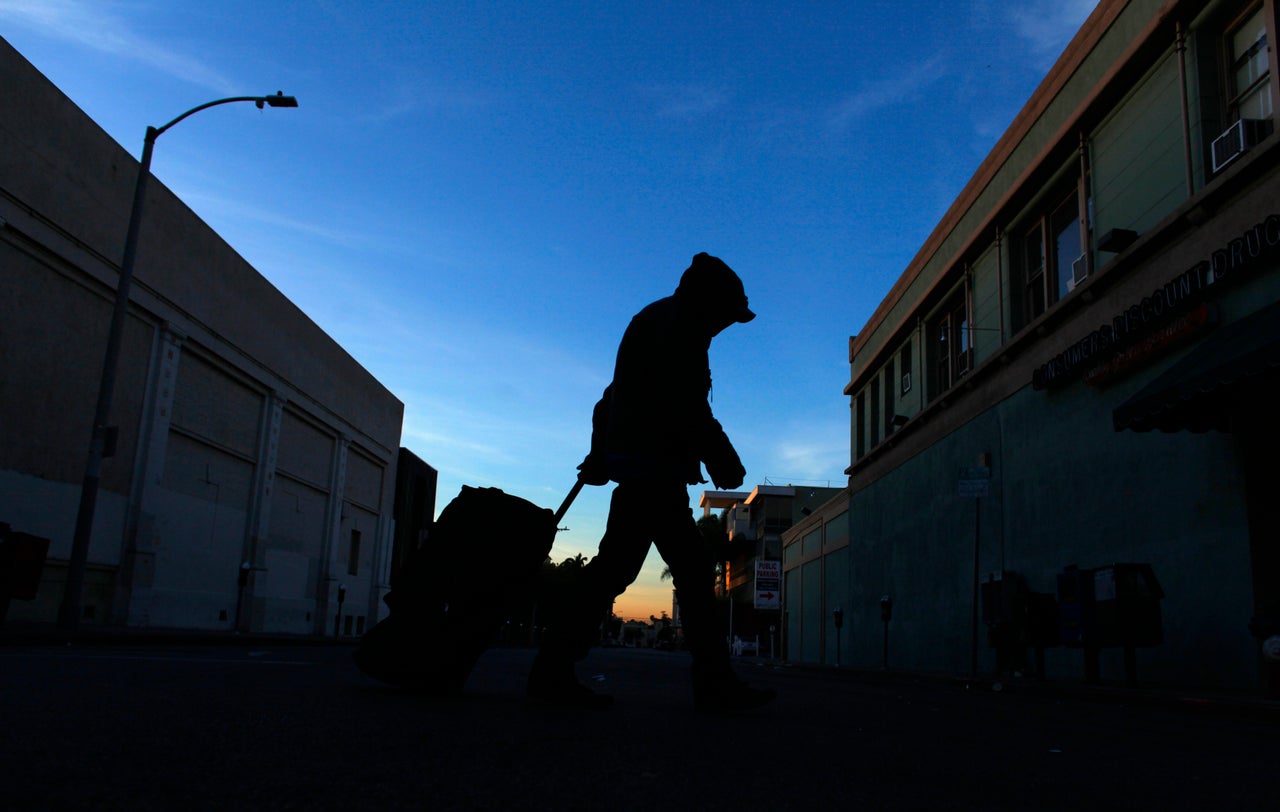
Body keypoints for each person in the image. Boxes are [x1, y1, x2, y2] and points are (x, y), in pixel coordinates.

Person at [527, 252, 776, 712]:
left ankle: (553, 667)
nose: (725, 326)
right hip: (651, 472)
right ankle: (713, 683)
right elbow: (683, 405)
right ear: (708, 302)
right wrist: (721, 456)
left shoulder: (661, 321)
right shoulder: (677, 328)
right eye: (725, 315)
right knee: (684, 574)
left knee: (620, 570)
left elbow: (611, 399)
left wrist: (601, 452)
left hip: (646, 470)